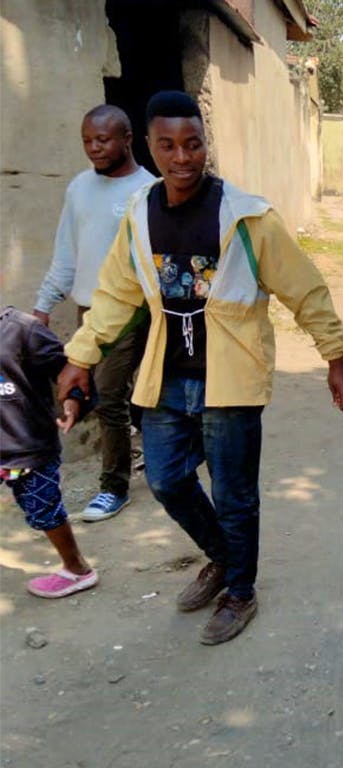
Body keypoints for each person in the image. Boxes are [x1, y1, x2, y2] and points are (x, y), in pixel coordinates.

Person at [56, 90, 343, 645]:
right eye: (168, 146)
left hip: (232, 378)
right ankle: (223, 556)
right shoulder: (140, 215)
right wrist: (81, 355)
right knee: (169, 479)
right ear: (149, 147)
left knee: (234, 491)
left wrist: (335, 360)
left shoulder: (246, 216)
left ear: (205, 145)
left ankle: (240, 591)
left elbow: (305, 289)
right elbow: (114, 294)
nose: (182, 158)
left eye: (193, 144)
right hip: (167, 375)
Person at [33, 104, 155, 523]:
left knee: (109, 395)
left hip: (132, 311)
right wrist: (43, 305)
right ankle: (161, 453)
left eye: (103, 140)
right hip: (90, 310)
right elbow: (67, 253)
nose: (94, 149)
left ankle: (113, 486)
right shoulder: (79, 189)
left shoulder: (149, 191)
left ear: (127, 138)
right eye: (87, 141)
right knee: (126, 395)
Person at [1, 307, 98, 598]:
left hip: (26, 446)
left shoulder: (22, 330)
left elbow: (69, 370)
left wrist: (73, 402)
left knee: (43, 509)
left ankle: (77, 569)